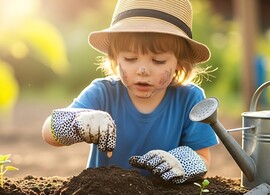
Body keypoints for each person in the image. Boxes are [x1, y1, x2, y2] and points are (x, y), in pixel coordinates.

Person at [42, 0, 218, 184]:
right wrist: (76, 123)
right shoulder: (103, 93)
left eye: (157, 61)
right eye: (130, 58)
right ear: (115, 58)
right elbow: (48, 133)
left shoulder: (190, 99)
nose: (142, 70)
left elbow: (203, 159)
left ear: (179, 63)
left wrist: (183, 163)